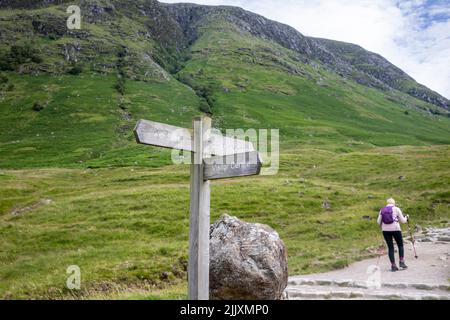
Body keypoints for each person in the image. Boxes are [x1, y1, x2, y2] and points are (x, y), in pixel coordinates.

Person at [377, 198, 409, 272]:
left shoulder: (382, 210)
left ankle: (393, 265)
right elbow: (403, 221)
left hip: (385, 230)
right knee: (400, 245)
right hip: (395, 229)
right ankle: (401, 262)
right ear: (394, 203)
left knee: (390, 247)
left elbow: (378, 222)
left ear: (387, 203)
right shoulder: (396, 209)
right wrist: (406, 217)